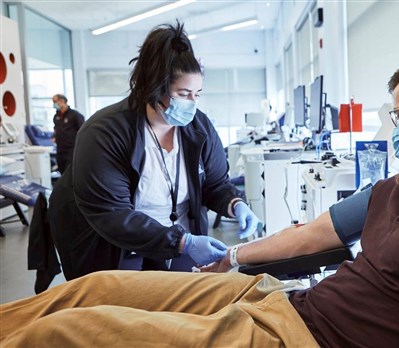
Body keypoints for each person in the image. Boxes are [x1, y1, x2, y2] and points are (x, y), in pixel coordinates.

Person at [1, 51, 399, 347]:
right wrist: (228, 258)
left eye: (395, 114)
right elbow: (308, 235)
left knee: (62, 334)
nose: (390, 129)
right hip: (276, 300)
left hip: (296, 338)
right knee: (95, 288)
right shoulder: (398, 188)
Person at [46, 21, 261, 281]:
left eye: (198, 94)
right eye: (183, 93)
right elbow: (113, 215)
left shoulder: (199, 127)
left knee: (180, 305)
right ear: (154, 87)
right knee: (123, 313)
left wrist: (234, 203)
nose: (192, 104)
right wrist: (183, 242)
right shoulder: (104, 132)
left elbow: (215, 183)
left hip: (177, 238)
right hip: (113, 244)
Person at [51, 94, 85, 173]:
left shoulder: (75, 115)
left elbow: (82, 130)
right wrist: (54, 136)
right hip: (60, 149)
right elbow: (56, 129)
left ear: (62, 101)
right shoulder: (56, 116)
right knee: (61, 171)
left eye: (55, 102)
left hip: (72, 149)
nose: (54, 104)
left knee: (69, 173)